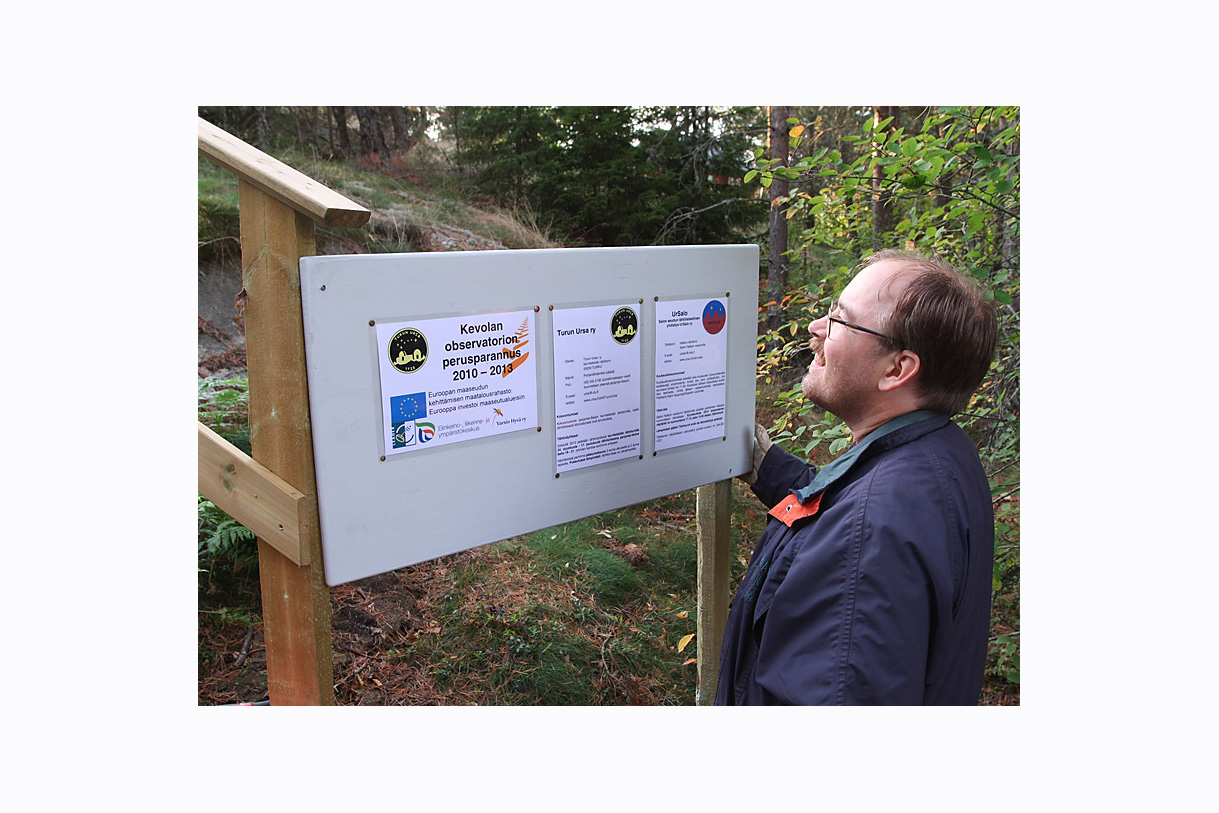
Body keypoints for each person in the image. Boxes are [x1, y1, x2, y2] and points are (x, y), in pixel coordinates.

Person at [714, 249, 999, 705]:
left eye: (840, 321)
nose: (816, 328)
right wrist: (768, 467)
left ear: (897, 369)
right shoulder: (939, 454)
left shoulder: (871, 533)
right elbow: (848, 504)